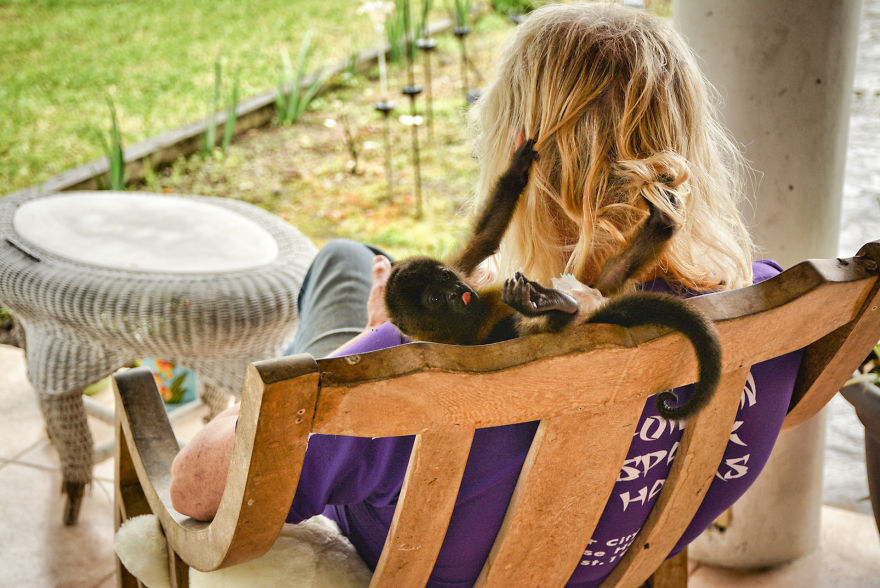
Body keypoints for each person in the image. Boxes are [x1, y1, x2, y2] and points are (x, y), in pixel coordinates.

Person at [169, 4, 803, 586]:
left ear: (517, 143)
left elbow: (198, 490)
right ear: (689, 138)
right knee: (355, 260)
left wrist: (368, 342)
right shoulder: (771, 309)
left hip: (419, 548)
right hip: (613, 552)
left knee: (341, 261)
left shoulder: (407, 369)